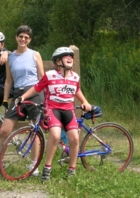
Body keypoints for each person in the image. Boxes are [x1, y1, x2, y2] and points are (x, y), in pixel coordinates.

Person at [16, 47, 92, 181]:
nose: (70, 58)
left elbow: (77, 90)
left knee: (74, 138)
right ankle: (47, 168)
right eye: (66, 56)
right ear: (58, 61)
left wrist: (85, 101)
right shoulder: (50, 75)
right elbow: (37, 87)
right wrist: (23, 97)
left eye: (71, 56)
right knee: (55, 135)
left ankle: (72, 169)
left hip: (69, 110)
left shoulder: (75, 77)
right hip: (52, 108)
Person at [0, 25, 44, 174]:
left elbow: (42, 79)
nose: (23, 39)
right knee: (5, 130)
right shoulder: (10, 57)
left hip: (35, 93)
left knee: (34, 130)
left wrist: (45, 97)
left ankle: (34, 165)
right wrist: (5, 100)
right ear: (16, 38)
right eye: (21, 36)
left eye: (26, 37)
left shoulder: (35, 54)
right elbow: (8, 81)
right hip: (18, 94)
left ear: (29, 40)